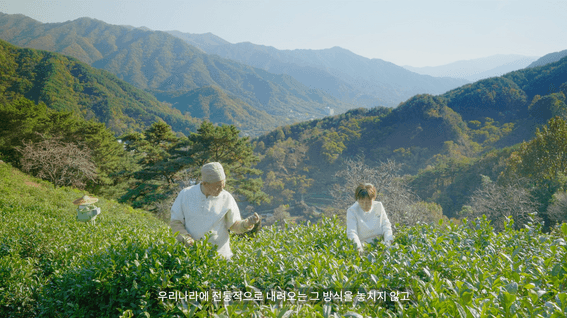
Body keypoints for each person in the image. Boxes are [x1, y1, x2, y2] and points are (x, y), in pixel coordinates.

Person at [170, 162, 260, 259]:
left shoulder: (226, 198)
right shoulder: (186, 194)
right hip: (191, 255)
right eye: (218, 186)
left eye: (223, 184)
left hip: (220, 257)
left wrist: (247, 223)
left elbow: (234, 225)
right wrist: (186, 239)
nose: (222, 189)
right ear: (205, 184)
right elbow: (176, 222)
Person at [346, 183, 393, 256]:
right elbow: (352, 232)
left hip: (380, 245)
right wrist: (358, 248)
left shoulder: (379, 206)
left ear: (373, 198)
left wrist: (388, 242)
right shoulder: (352, 211)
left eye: (368, 202)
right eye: (362, 202)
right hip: (363, 247)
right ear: (357, 200)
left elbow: (386, 225)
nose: (365, 205)